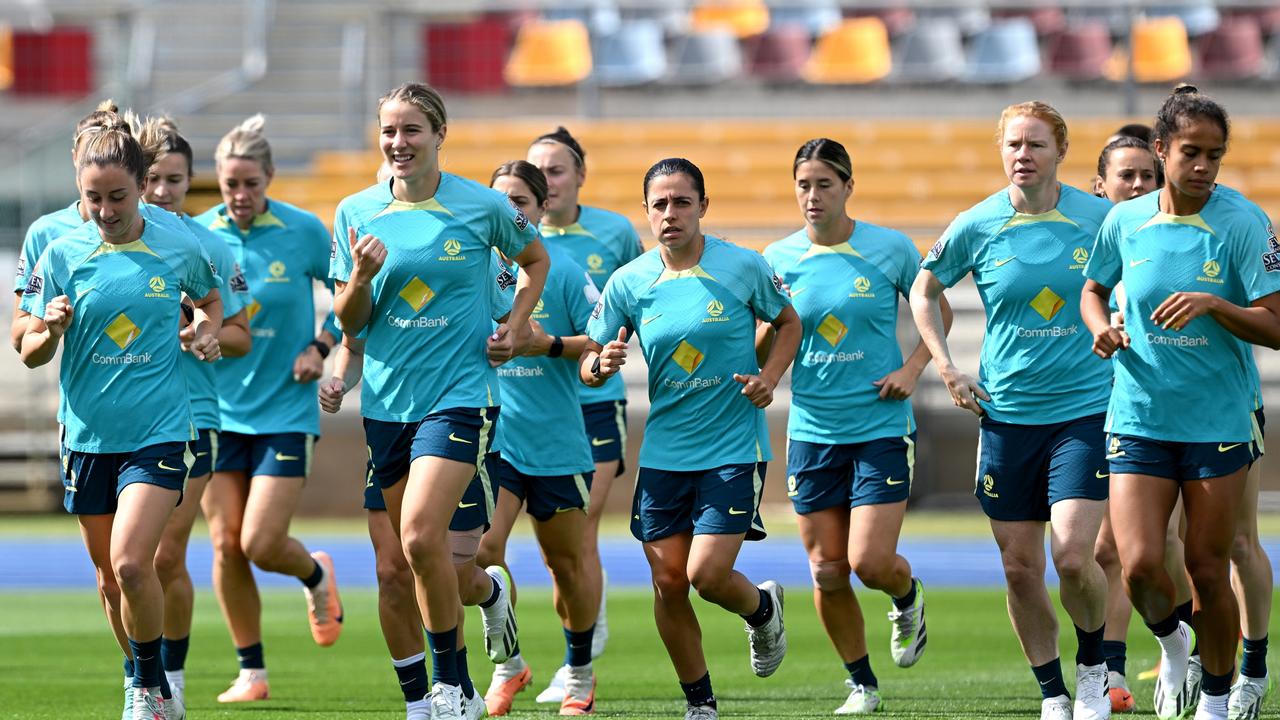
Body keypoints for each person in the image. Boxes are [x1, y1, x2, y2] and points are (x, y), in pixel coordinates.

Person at [331, 81, 549, 720]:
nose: (399, 143)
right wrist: (362, 278)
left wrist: (514, 323)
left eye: (411, 131)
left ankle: (453, 686)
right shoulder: (355, 212)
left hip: (460, 396)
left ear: (439, 135)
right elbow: (351, 322)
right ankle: (426, 696)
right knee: (399, 565)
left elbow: (535, 259)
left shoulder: (482, 207)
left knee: (423, 536)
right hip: (386, 404)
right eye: (389, 132)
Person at [910, 101, 1115, 720]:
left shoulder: (1103, 219)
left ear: (1060, 152)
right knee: (1020, 568)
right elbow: (925, 289)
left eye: (1036, 145)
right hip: (1005, 417)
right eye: (1013, 145)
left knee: (1073, 557)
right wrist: (945, 364)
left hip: (1085, 411)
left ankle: (1093, 669)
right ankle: (1052, 693)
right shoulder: (977, 223)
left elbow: (1142, 276)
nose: (1023, 155)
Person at [1081, 85, 1280, 720]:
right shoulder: (1124, 220)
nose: (1202, 167)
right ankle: (1173, 641)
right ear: (1162, 150)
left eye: (1214, 156)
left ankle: (1217, 702)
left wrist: (1216, 304)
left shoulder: (1244, 223)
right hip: (1139, 414)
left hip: (1217, 419)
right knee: (1137, 567)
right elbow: (1092, 289)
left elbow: (1276, 324)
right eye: (1190, 153)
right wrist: (1099, 328)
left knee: (1206, 565)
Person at [582, 157, 801, 720]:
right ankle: (700, 704)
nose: (670, 214)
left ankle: (761, 611)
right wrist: (600, 365)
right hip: (664, 451)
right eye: (660, 204)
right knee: (668, 582)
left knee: (706, 576)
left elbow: (789, 322)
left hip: (732, 447)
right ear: (647, 212)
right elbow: (590, 360)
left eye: (682, 202)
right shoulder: (629, 281)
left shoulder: (743, 267)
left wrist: (770, 378)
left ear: (704, 205)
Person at [20, 117, 223, 720]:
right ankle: (150, 684)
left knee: (136, 563)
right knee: (110, 580)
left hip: (158, 432)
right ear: (79, 193)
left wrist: (206, 332)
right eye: (93, 198)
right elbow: (29, 352)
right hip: (86, 436)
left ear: (141, 187)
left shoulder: (179, 247)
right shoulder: (59, 254)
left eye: (117, 196)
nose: (105, 210)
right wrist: (48, 328)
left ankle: (147, 687)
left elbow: (211, 302)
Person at [762, 138, 950, 715]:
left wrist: (913, 368)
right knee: (826, 569)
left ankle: (907, 594)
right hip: (813, 430)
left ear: (848, 186)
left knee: (869, 562)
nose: (812, 196)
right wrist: (760, 370)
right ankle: (861, 683)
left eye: (824, 184)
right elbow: (770, 332)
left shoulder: (889, 248)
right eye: (803, 185)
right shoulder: (777, 258)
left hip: (880, 427)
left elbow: (936, 308)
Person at [195, 114, 343, 703]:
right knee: (226, 543)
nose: (240, 196)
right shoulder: (199, 234)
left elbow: (349, 296)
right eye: (231, 184)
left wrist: (320, 347)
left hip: (284, 408)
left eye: (251, 184)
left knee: (259, 541)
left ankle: (314, 574)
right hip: (216, 408)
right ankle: (251, 672)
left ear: (270, 178)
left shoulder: (303, 230)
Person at [132, 114, 253, 707]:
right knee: (126, 564)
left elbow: (240, 335)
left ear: (189, 182)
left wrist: (207, 336)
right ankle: (144, 676)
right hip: (126, 418)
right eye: (153, 178)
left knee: (164, 554)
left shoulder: (210, 245)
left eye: (174, 180)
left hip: (191, 414)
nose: (162, 192)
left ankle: (167, 680)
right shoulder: (111, 238)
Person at [477, 160, 601, 716]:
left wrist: (546, 344)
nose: (510, 212)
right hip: (490, 440)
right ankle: (509, 664)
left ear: (541, 208)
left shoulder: (566, 272)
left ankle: (578, 672)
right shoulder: (468, 270)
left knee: (566, 566)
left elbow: (600, 343)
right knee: (480, 553)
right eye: (500, 202)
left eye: (520, 203)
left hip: (555, 443)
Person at [526, 127, 644, 702]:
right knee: (550, 550)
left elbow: (647, 298)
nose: (546, 180)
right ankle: (549, 645)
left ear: (579, 177)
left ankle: (579, 656)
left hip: (595, 403)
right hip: (529, 407)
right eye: (537, 170)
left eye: (557, 170)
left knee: (584, 526)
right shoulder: (510, 235)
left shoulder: (614, 232)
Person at [1088, 133, 1172, 713]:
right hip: (1088, 409)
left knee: (1183, 547)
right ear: (1101, 184)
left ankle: (1197, 658)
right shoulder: (1088, 234)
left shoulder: (1166, 238)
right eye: (1127, 176)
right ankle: (1126, 666)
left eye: (1149, 175)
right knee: (1105, 551)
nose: (1138, 185)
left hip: (1158, 413)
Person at [10, 99, 120, 352]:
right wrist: (54, 323)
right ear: (74, 158)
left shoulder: (153, 227)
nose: (97, 169)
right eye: (87, 160)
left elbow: (200, 302)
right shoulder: (46, 233)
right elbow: (19, 336)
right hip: (86, 383)